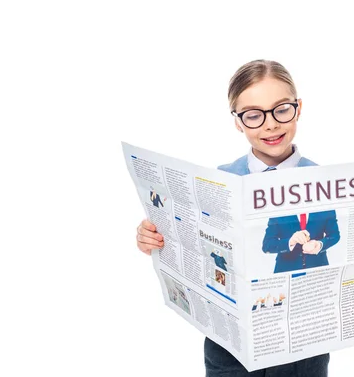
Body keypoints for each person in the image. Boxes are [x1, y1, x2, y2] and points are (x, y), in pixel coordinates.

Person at [135, 60, 336, 376]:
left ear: (298, 109)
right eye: (254, 115)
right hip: (230, 352)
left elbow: (340, 243)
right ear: (238, 122)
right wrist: (153, 236)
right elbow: (190, 245)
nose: (270, 125)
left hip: (301, 351)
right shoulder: (218, 181)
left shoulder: (328, 183)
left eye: (281, 109)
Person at [262, 210, 340, 273]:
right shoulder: (278, 209)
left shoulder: (325, 206)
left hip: (318, 269)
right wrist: (291, 241)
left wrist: (320, 244)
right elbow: (267, 245)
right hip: (286, 269)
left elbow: (334, 235)